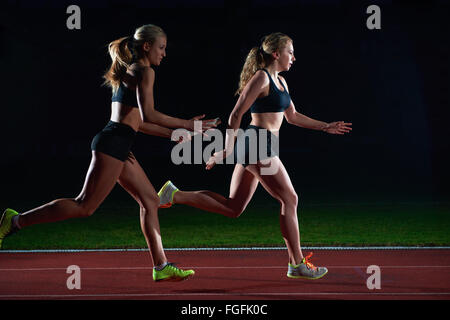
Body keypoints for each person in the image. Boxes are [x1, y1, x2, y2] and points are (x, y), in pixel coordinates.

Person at [0, 24, 219, 282]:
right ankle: (15, 221)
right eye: (161, 47)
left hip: (118, 143)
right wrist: (186, 124)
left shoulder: (131, 70)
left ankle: (161, 267)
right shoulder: (144, 71)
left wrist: (179, 134)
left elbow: (139, 123)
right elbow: (149, 114)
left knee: (150, 200)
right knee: (84, 206)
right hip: (113, 144)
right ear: (147, 46)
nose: (164, 53)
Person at [158, 32, 352, 280]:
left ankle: (174, 194)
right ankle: (296, 263)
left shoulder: (281, 82)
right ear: (276, 53)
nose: (294, 57)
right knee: (290, 199)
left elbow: (292, 117)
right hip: (257, 142)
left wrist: (325, 125)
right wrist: (227, 149)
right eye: (290, 51)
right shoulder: (261, 78)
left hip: (261, 143)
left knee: (233, 207)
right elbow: (235, 114)